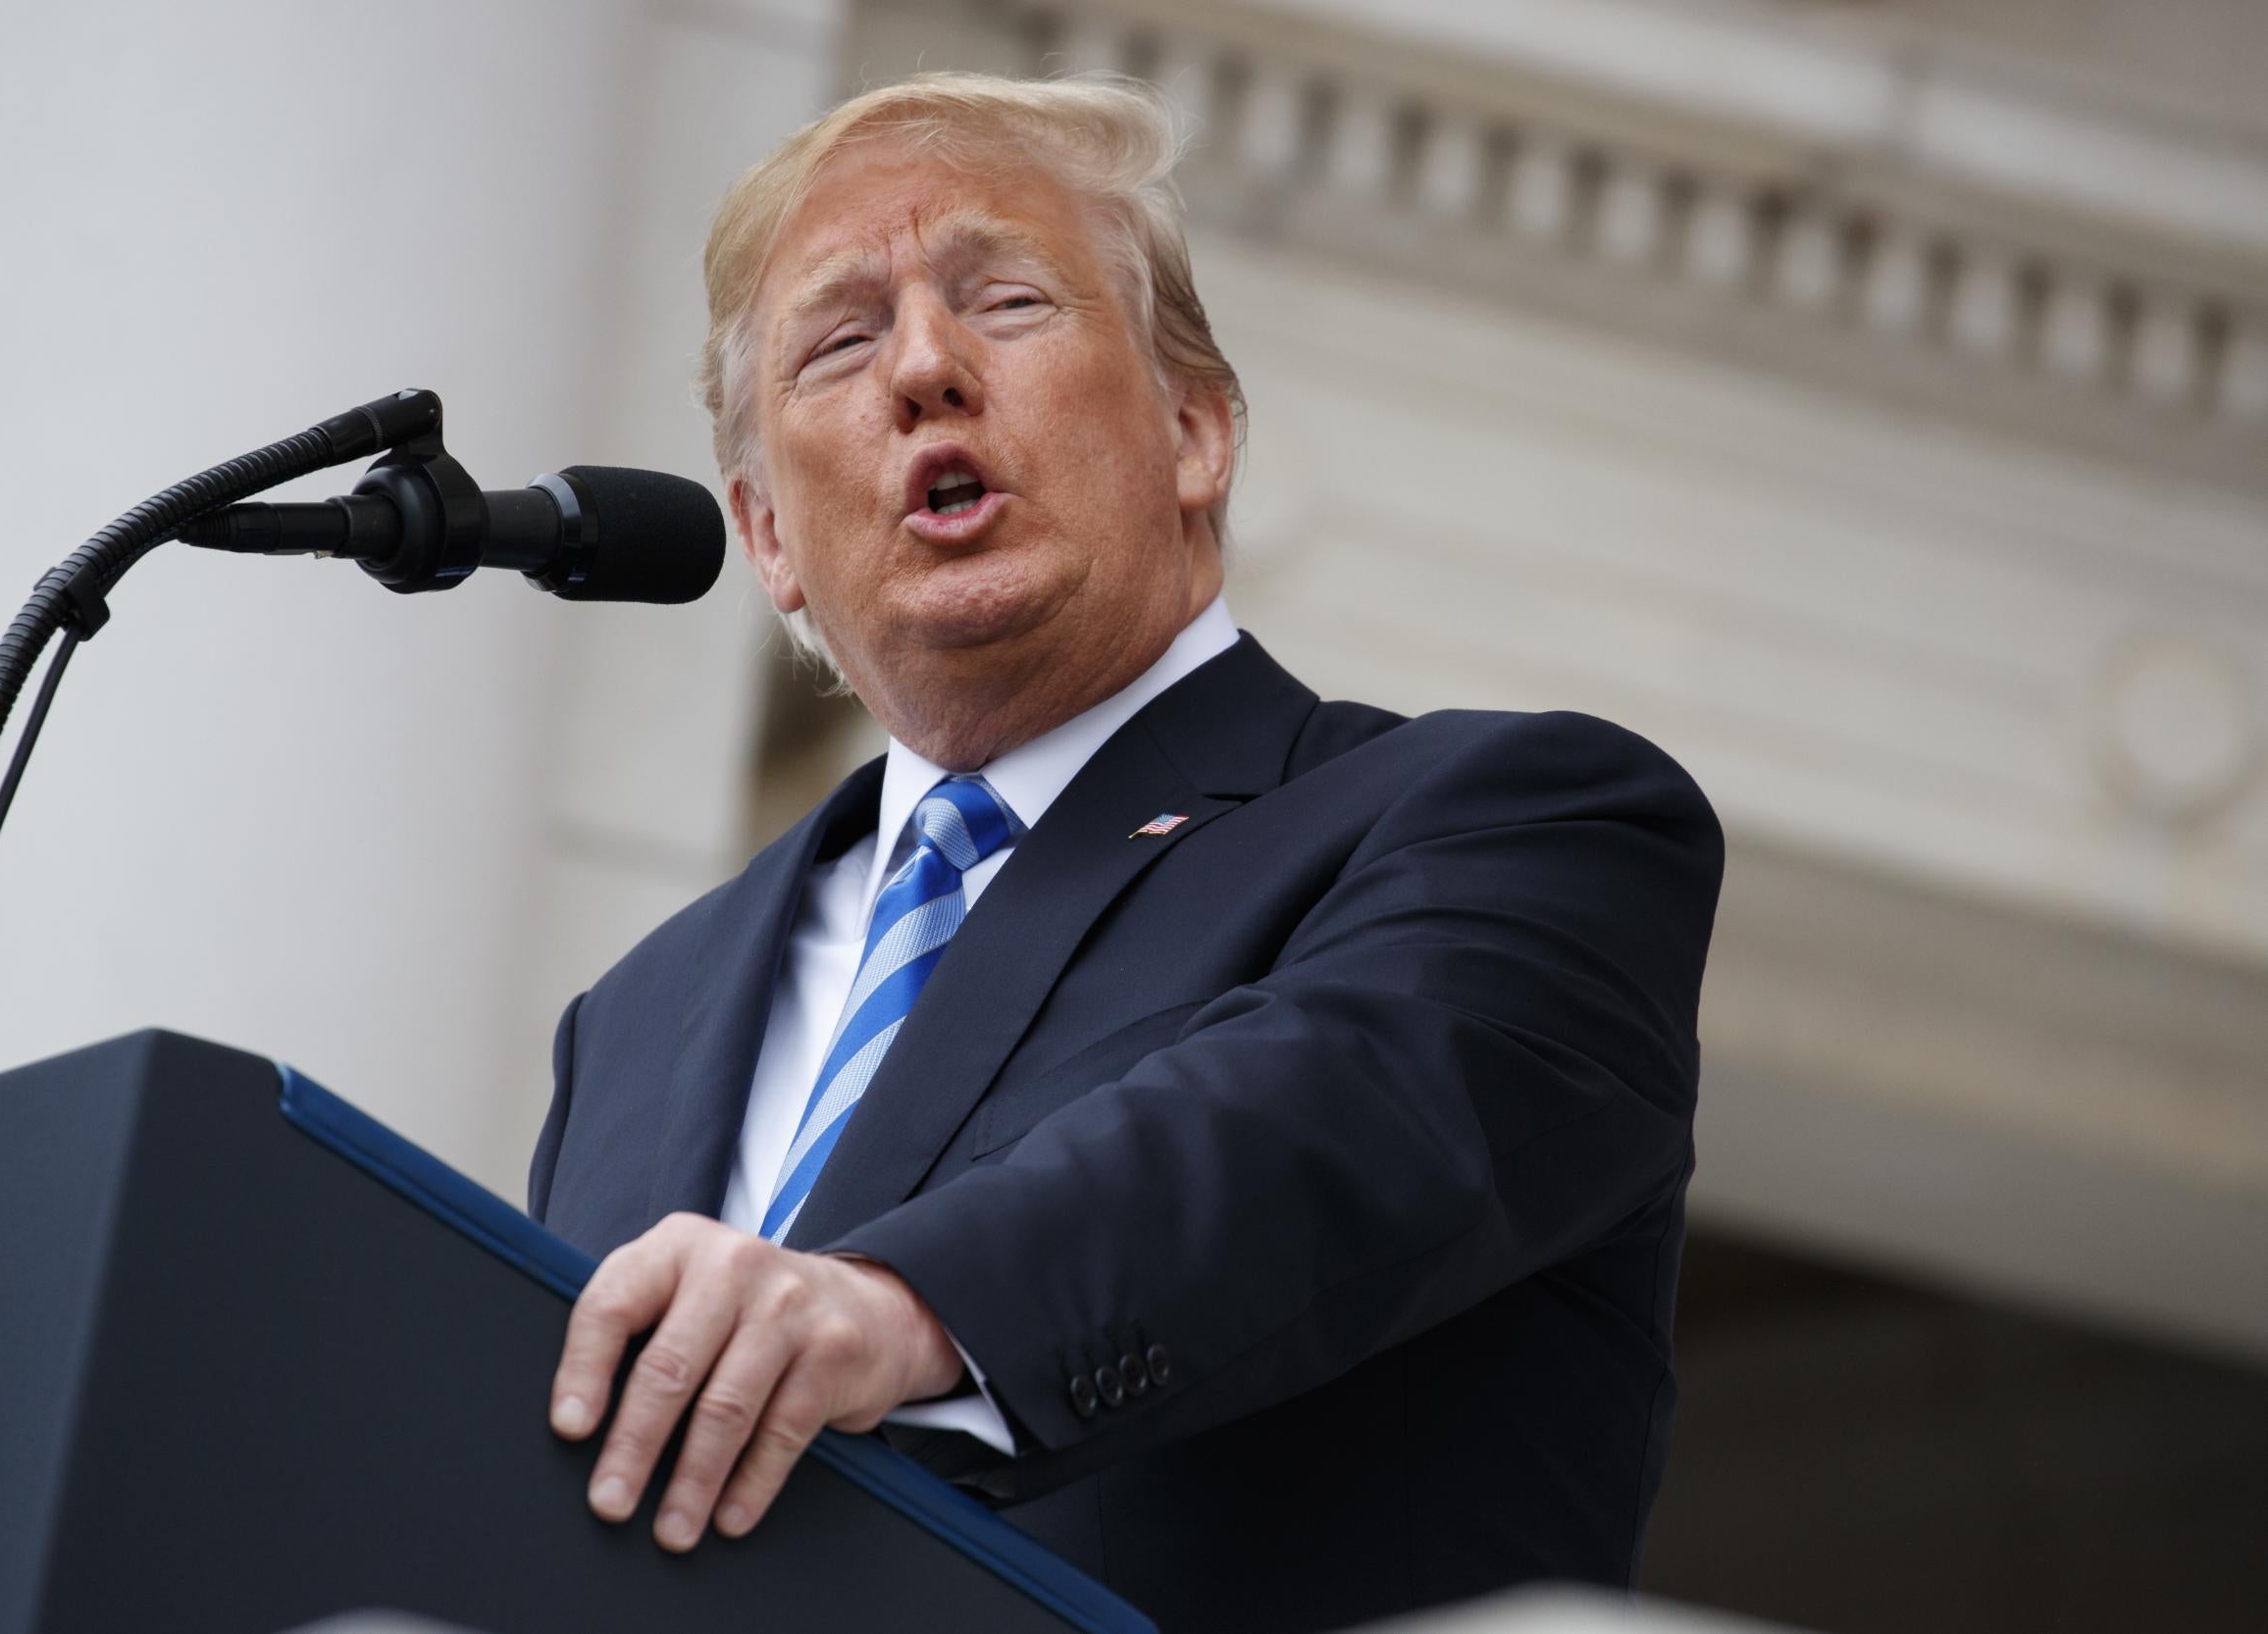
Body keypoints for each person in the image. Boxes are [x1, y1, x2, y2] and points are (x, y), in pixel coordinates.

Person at [528, 72, 1724, 1634]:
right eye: (840, 340)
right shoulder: (637, 1018)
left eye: (1004, 300)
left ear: (1194, 428)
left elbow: (1305, 1133)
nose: (926, 369)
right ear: (766, 541)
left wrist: (899, 1305)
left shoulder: (1526, 820)